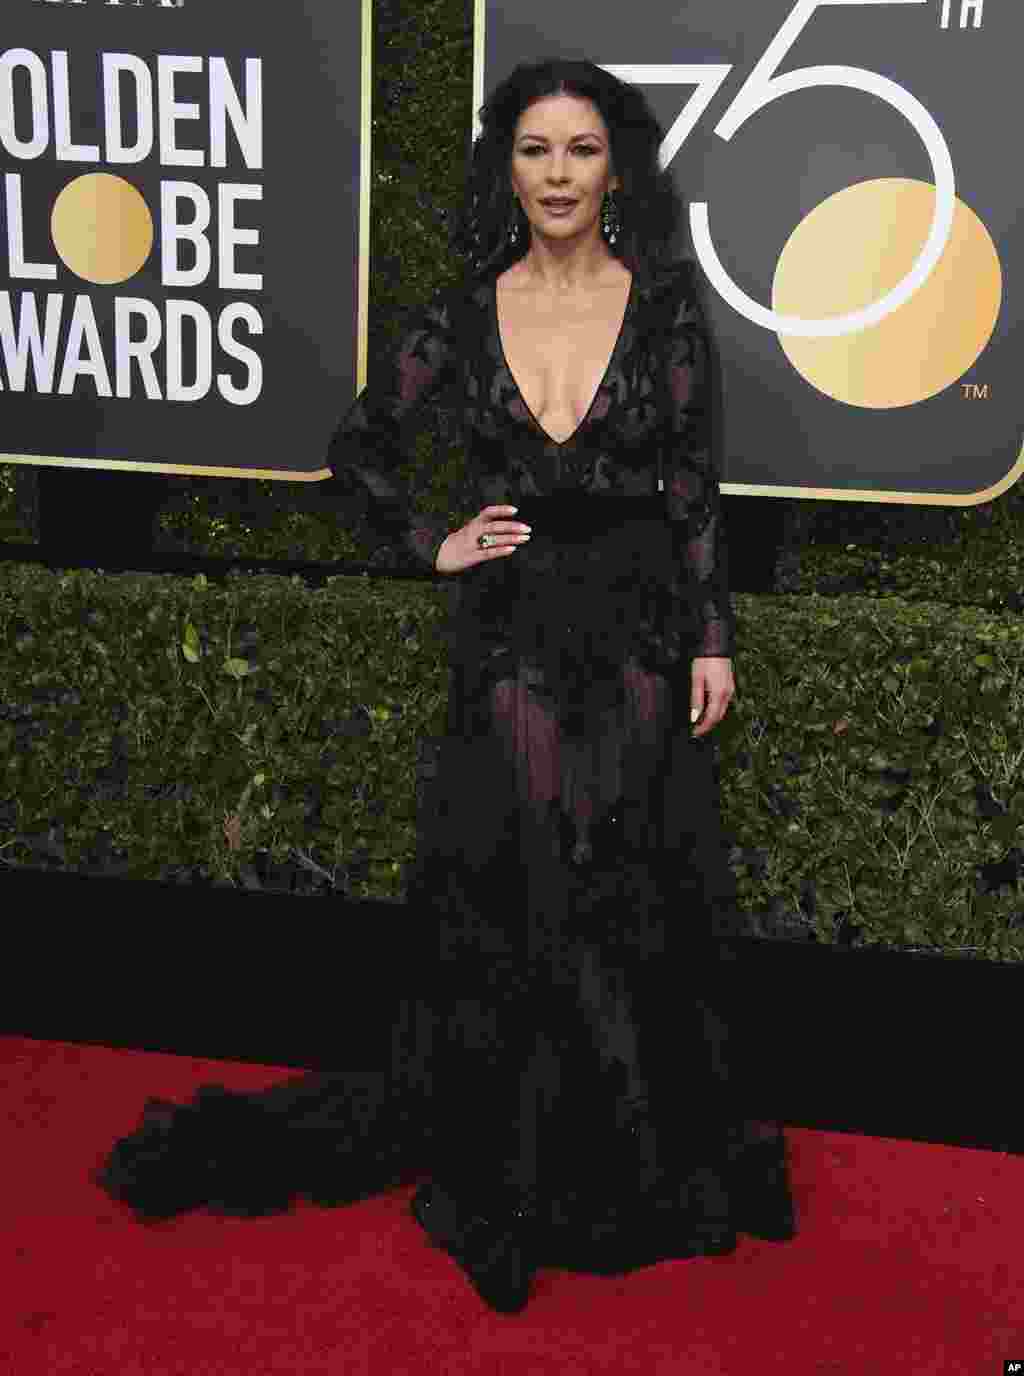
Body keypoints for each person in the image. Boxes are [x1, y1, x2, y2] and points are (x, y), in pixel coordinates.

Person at [94, 59, 798, 1316]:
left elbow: (694, 492)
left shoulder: (666, 310)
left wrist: (712, 639)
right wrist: (432, 541)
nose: (558, 175)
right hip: (514, 625)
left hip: (641, 622)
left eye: (579, 150)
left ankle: (639, 1161)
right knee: (533, 893)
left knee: (629, 888)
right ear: (505, 170)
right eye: (534, 150)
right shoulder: (465, 315)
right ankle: (523, 1174)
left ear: (614, 169)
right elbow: (358, 447)